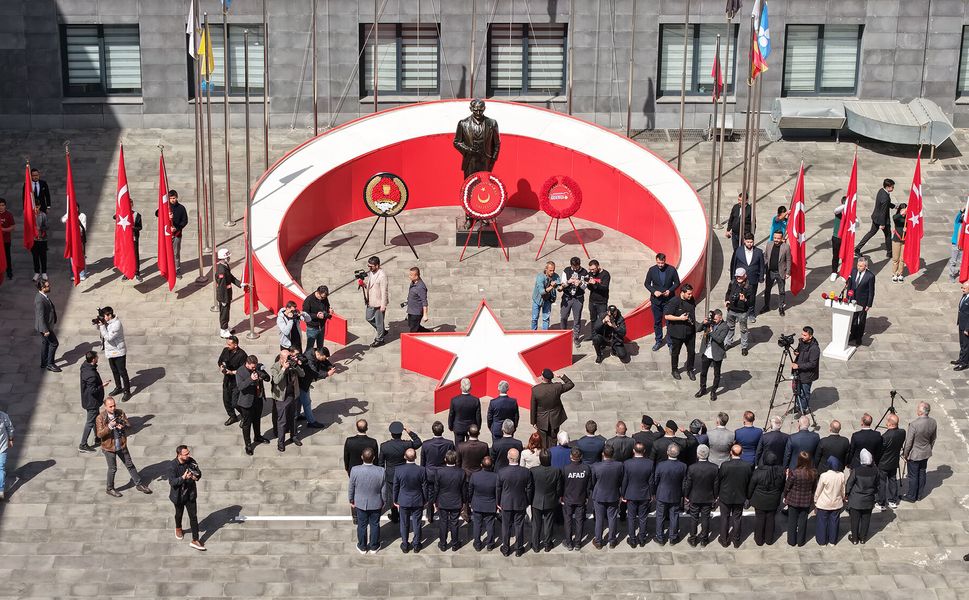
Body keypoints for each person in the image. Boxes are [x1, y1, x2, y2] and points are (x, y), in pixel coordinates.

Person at [96, 396, 151, 498]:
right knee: (112, 469)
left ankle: (138, 484)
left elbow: (128, 425)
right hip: (109, 447)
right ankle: (110, 488)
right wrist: (109, 427)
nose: (113, 408)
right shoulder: (100, 418)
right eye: (110, 406)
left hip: (121, 444)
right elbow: (99, 434)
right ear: (105, 407)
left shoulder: (120, 412)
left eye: (114, 405)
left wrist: (124, 425)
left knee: (129, 464)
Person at [379, 421, 422, 523]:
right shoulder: (406, 444)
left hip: (390, 475)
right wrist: (409, 432)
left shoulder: (384, 446)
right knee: (403, 493)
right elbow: (418, 442)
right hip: (403, 473)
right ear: (401, 433)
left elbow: (381, 463)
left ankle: (394, 516)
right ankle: (404, 513)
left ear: (391, 433)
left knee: (392, 496)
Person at [496, 447, 533, 556]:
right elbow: (529, 489)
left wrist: (498, 502)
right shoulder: (525, 472)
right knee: (519, 526)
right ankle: (519, 548)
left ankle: (506, 549)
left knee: (506, 526)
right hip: (520, 502)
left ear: (508, 457)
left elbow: (498, 489)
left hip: (506, 503)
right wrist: (528, 501)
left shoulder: (502, 472)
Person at [348, 447, 384, 554]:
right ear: (373, 458)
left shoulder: (355, 470)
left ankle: (362, 546)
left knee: (362, 525)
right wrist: (384, 501)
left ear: (361, 457)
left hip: (360, 502)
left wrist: (351, 500)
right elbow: (384, 489)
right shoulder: (381, 471)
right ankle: (374, 546)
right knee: (375, 524)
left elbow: (351, 487)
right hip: (376, 502)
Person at [168, 445, 205, 551]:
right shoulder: (172, 466)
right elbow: (172, 482)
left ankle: (195, 539)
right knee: (179, 514)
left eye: (188, 453)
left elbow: (199, 473)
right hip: (179, 495)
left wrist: (195, 477)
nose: (189, 455)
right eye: (186, 454)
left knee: (193, 516)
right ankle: (178, 528)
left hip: (190, 494)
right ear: (179, 455)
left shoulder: (191, 461)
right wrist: (183, 478)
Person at [453, 98, 500, 178]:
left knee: (484, 185)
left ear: (484, 108)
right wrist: (468, 150)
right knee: (470, 185)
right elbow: (456, 142)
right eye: (475, 110)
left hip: (486, 160)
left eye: (481, 110)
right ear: (471, 109)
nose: (478, 113)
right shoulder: (463, 123)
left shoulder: (492, 123)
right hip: (470, 161)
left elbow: (497, 143)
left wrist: (493, 159)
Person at [715, 444, 752, 547]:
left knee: (724, 518)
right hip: (740, 496)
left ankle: (724, 540)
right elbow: (749, 481)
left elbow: (719, 480)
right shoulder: (747, 465)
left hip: (725, 496)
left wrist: (717, 494)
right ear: (742, 453)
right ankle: (736, 540)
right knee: (737, 518)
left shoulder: (725, 465)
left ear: (731, 452)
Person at [393, 448, 428, 553]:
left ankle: (405, 544)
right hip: (417, 500)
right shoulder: (421, 470)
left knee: (404, 523)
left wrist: (395, 500)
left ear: (404, 457)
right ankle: (416, 544)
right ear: (416, 457)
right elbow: (424, 487)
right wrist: (425, 499)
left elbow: (396, 486)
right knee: (417, 523)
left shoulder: (399, 470)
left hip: (403, 500)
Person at [747, 451, 785, 546]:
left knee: (760, 519)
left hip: (759, 500)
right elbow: (782, 487)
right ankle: (769, 539)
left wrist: (749, 497)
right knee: (771, 519)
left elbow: (751, 487)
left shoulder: (758, 472)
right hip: (773, 500)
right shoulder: (780, 472)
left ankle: (759, 540)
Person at [644, 253, 680, 350]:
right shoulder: (652, 270)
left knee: (669, 322)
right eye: (658, 263)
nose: (660, 265)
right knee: (657, 322)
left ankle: (670, 342)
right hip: (656, 301)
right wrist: (654, 291)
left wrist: (670, 290)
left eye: (662, 263)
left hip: (669, 300)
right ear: (656, 261)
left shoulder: (671, 270)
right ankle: (658, 340)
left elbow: (677, 282)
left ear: (665, 261)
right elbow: (647, 283)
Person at [902, 401, 937, 502]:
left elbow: (909, 442)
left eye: (918, 409)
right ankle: (919, 495)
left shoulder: (914, 424)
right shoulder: (933, 422)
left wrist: (905, 454)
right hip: (925, 452)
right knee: (922, 473)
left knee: (913, 476)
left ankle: (911, 496)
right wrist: (930, 448)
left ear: (921, 412)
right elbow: (933, 438)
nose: (916, 410)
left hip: (915, 454)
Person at [589, 444, 623, 549]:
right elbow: (621, 480)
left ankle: (598, 541)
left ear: (603, 454)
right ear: (613, 454)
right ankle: (612, 540)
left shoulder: (596, 466)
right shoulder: (619, 465)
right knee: (612, 518)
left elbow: (593, 482)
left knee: (599, 519)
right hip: (613, 494)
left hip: (599, 495)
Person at [652, 443, 687, 545]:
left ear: (667, 452)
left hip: (662, 494)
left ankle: (660, 537)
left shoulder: (661, 465)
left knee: (660, 516)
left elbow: (656, 480)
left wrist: (654, 492)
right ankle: (673, 537)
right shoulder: (683, 466)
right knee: (674, 516)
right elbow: (684, 482)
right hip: (676, 495)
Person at [622, 442, 655, 547]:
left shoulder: (627, 463)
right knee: (643, 517)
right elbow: (651, 481)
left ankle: (632, 539)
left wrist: (623, 494)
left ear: (633, 450)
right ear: (644, 451)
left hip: (631, 494)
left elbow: (625, 481)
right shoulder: (650, 463)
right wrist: (651, 494)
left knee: (631, 517)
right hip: (644, 494)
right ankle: (642, 539)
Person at [235, 355, 270, 455]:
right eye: (252, 367)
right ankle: (248, 444)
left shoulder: (258, 367)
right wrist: (250, 379)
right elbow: (240, 387)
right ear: (247, 363)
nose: (254, 368)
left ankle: (258, 436)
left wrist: (263, 375)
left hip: (258, 399)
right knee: (247, 424)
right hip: (246, 402)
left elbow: (267, 378)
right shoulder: (240, 371)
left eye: (255, 366)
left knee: (257, 419)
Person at [530, 368, 573, 448]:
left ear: (542, 377)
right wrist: (562, 376)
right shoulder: (557, 387)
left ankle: (544, 455)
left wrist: (533, 422)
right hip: (555, 419)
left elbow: (533, 407)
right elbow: (570, 384)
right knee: (553, 439)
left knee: (542, 441)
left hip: (541, 420)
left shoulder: (536, 390)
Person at [421, 421, 455, 523]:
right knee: (442, 493)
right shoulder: (449, 443)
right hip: (443, 473)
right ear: (443, 431)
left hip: (430, 473)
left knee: (430, 495)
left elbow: (423, 462)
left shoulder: (426, 444)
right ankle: (442, 514)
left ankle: (430, 515)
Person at [270, 350, 304, 451]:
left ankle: (294, 436)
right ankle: (281, 443)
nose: (289, 359)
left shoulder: (292, 365)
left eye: (290, 357)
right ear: (281, 359)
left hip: (293, 395)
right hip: (281, 398)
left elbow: (302, 374)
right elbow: (276, 380)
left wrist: (296, 365)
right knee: (282, 421)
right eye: (287, 358)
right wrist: (284, 369)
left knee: (293, 417)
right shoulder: (275, 367)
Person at [94, 307, 130, 402]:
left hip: (118, 352)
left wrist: (102, 326)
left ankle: (127, 391)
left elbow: (108, 337)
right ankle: (118, 387)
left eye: (105, 316)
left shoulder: (116, 324)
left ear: (110, 315)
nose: (104, 318)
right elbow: (101, 332)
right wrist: (99, 323)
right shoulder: (107, 322)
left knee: (122, 372)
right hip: (110, 351)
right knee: (114, 371)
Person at [683, 444, 717, 547]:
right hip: (708, 497)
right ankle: (704, 539)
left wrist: (686, 495)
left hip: (695, 496)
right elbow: (716, 484)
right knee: (705, 518)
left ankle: (693, 538)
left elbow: (688, 483)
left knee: (694, 518)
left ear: (697, 455)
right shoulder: (714, 468)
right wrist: (715, 497)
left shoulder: (692, 468)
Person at [529, 449, 562, 552]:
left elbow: (530, 487)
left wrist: (530, 500)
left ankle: (535, 545)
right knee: (548, 524)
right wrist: (556, 497)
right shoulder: (556, 471)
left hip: (536, 501)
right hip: (550, 501)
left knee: (536, 524)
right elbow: (558, 488)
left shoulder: (533, 471)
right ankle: (547, 545)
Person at [432, 450, 465, 551]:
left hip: (443, 501)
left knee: (443, 522)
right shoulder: (461, 472)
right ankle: (455, 544)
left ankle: (443, 544)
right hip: (456, 501)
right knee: (454, 523)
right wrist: (464, 501)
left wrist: (434, 501)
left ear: (445, 459)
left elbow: (436, 488)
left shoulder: (439, 472)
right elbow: (463, 489)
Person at [846, 449, 879, 544]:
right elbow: (877, 484)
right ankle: (863, 538)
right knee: (866, 519)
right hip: (869, 499)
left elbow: (849, 483)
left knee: (854, 520)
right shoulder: (875, 470)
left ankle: (855, 538)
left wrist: (847, 494)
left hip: (856, 499)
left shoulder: (856, 470)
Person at [855, 178, 895, 257]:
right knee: (888, 235)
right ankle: (889, 252)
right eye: (892, 187)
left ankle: (857, 248)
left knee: (871, 233)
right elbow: (883, 211)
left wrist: (894, 206)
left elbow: (884, 204)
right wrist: (882, 224)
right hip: (882, 220)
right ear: (888, 187)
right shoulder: (886, 198)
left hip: (875, 217)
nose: (893, 188)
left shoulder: (881, 191)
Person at [784, 451, 817, 547]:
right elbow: (814, 487)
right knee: (803, 521)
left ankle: (791, 541)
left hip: (793, 500)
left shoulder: (794, 473)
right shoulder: (813, 473)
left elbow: (787, 486)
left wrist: (785, 495)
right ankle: (801, 541)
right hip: (806, 500)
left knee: (792, 521)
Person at [79, 351, 109, 452]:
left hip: (89, 400)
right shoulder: (91, 374)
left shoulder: (85, 366)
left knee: (96, 419)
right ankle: (83, 444)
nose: (98, 358)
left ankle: (97, 438)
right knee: (90, 422)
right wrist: (102, 386)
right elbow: (93, 390)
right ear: (93, 359)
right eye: (96, 357)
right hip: (92, 402)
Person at [695, 309, 729, 400]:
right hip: (706, 351)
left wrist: (711, 332)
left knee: (716, 374)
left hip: (717, 352)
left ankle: (713, 391)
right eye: (713, 319)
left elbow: (719, 339)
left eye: (716, 319)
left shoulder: (725, 327)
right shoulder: (709, 323)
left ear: (720, 318)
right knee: (703, 372)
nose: (713, 321)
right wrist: (703, 323)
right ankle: (703, 389)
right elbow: (697, 329)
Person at [666, 283, 697, 380]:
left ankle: (690, 370)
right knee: (675, 352)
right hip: (677, 333)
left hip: (690, 331)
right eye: (688, 294)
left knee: (691, 352)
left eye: (691, 293)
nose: (690, 295)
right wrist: (680, 318)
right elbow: (667, 316)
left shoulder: (691, 300)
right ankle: (674, 370)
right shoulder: (674, 302)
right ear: (682, 293)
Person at [731, 233, 766, 320]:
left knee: (752, 297)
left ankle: (751, 313)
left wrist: (761, 277)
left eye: (751, 242)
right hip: (740, 279)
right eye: (748, 242)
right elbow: (733, 264)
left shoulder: (759, 252)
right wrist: (732, 278)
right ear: (744, 241)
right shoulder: (738, 251)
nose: (750, 244)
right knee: (740, 296)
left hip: (753, 278)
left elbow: (761, 265)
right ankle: (739, 313)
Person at [561, 447, 591, 550]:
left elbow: (562, 485)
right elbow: (588, 485)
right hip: (580, 498)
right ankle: (578, 543)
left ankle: (569, 543)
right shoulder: (586, 468)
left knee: (568, 521)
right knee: (579, 520)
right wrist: (587, 496)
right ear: (581, 456)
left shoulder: (566, 469)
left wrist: (561, 496)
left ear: (570, 457)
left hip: (568, 499)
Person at [468, 455, 499, 551]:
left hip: (477, 504)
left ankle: (477, 544)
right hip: (490, 504)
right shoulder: (496, 477)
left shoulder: (475, 476)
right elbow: (498, 492)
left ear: (481, 465)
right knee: (490, 525)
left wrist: (470, 501)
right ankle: (490, 544)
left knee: (477, 525)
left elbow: (470, 490)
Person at [814, 456, 847, 546]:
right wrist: (843, 498)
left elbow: (818, 490)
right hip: (836, 503)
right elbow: (843, 490)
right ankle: (832, 541)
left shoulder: (824, 476)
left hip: (824, 503)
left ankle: (822, 541)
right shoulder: (841, 475)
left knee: (822, 522)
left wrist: (815, 500)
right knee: (834, 522)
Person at [154, 190, 188, 277]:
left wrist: (176, 228)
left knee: (176, 253)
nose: (172, 200)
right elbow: (157, 213)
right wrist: (166, 214)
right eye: (171, 198)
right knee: (166, 252)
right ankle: (167, 268)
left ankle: (177, 269)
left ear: (177, 198)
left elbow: (185, 221)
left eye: (174, 198)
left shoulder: (181, 208)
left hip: (177, 234)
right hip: (167, 234)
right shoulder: (166, 207)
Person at [299, 346, 334, 429]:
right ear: (318, 354)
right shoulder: (309, 360)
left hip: (304, 381)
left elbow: (325, 361)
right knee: (307, 402)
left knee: (299, 400)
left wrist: (330, 366)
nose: (324, 359)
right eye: (323, 357)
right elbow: (315, 374)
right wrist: (327, 374)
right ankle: (311, 422)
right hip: (303, 382)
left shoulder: (315, 352)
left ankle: (296, 415)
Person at [791, 326, 821, 418]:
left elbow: (812, 364)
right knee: (796, 390)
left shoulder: (815, 349)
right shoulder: (801, 342)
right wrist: (796, 352)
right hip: (798, 372)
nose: (802, 336)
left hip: (807, 375)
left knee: (804, 393)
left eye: (805, 335)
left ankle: (802, 409)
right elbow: (799, 350)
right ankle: (797, 406)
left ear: (810, 336)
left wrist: (798, 366)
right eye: (802, 334)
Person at [216, 336, 247, 426]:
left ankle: (245, 416)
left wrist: (232, 372)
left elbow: (243, 370)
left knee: (235, 402)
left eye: (229, 344)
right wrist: (221, 366)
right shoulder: (225, 350)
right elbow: (220, 361)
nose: (227, 346)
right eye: (227, 344)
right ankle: (232, 416)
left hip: (236, 381)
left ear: (236, 345)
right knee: (226, 400)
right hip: (227, 380)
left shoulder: (242, 355)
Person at [877, 414, 905, 511]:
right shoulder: (902, 432)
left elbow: (880, 451)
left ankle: (881, 503)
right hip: (894, 461)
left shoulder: (885, 437)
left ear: (889, 423)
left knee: (882, 482)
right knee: (893, 480)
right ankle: (893, 500)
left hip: (883, 463)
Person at [215, 248, 245, 338]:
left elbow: (230, 277)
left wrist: (240, 284)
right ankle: (223, 330)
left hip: (227, 293)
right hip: (224, 295)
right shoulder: (221, 271)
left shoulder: (225, 266)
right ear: (224, 258)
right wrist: (224, 299)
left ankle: (226, 327)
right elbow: (221, 286)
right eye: (227, 257)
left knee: (226, 311)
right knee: (224, 313)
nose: (229, 258)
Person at [559, 256, 587, 347]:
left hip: (578, 298)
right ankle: (563, 334)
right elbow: (562, 284)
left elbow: (585, 287)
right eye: (573, 267)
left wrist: (580, 284)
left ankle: (576, 337)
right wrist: (568, 281)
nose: (575, 269)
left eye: (577, 267)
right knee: (563, 316)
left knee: (577, 318)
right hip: (567, 297)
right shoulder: (566, 270)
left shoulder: (584, 272)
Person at [761, 231, 792, 316]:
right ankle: (766, 305)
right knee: (767, 290)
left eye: (778, 238)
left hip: (780, 272)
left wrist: (788, 272)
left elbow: (789, 260)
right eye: (775, 238)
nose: (776, 240)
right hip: (770, 272)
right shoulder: (769, 244)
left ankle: (781, 307)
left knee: (781, 291)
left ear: (782, 239)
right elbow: (765, 256)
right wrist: (763, 266)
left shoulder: (786, 247)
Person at [846, 257, 875, 346]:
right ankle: (853, 334)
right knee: (853, 318)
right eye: (858, 265)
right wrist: (847, 297)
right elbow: (850, 286)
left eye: (861, 266)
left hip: (863, 301)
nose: (859, 267)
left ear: (865, 266)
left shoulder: (870, 276)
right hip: (853, 299)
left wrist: (869, 304)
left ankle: (859, 337)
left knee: (861, 320)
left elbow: (871, 291)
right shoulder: (853, 271)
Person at [724, 268, 753, 355]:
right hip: (731, 310)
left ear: (745, 276)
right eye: (737, 276)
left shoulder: (749, 287)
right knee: (729, 327)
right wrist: (726, 300)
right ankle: (728, 343)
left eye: (740, 276)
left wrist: (745, 300)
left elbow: (751, 302)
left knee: (743, 330)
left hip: (742, 312)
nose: (738, 278)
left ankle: (744, 347)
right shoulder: (732, 283)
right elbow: (728, 292)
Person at [113, 200, 143, 281]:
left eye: (130, 204)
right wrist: (120, 211)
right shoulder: (121, 214)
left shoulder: (137, 215)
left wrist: (132, 228)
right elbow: (114, 217)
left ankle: (137, 272)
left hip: (133, 238)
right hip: (124, 239)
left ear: (132, 205)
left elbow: (140, 227)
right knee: (125, 255)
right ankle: (126, 272)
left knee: (135, 255)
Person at [363, 256, 389, 347]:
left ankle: (380, 339)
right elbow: (371, 286)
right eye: (368, 266)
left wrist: (383, 305)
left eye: (371, 266)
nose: (369, 268)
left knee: (379, 321)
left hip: (378, 303)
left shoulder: (382, 276)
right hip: (370, 301)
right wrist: (364, 285)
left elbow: (384, 291)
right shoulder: (371, 272)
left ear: (377, 266)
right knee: (368, 317)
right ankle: (381, 330)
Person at [34, 279, 59, 371]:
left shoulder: (43, 296)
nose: (49, 287)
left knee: (45, 343)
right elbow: (40, 317)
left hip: (46, 325)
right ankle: (50, 364)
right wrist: (45, 330)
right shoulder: (40, 300)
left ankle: (44, 363)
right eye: (47, 286)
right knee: (54, 344)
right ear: (42, 288)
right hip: (45, 327)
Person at [448, 378, 481, 445]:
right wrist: (477, 428)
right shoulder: (475, 400)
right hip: (472, 428)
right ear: (470, 387)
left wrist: (450, 426)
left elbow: (451, 415)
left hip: (458, 427)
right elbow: (478, 416)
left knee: (458, 448)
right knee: (471, 449)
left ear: (461, 387)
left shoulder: (455, 400)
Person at [60, 207, 88, 281]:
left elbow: (83, 228)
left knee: (81, 256)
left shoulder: (82, 216)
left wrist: (75, 224)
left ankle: (82, 273)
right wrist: (69, 217)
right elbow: (63, 220)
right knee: (71, 256)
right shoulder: (69, 214)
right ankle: (73, 273)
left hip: (80, 239)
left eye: (76, 208)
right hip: (71, 239)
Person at [531, 261, 560, 331]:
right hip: (538, 299)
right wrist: (552, 286)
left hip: (548, 300)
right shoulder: (540, 277)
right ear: (546, 269)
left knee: (546, 319)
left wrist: (563, 286)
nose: (552, 272)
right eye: (550, 270)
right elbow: (542, 292)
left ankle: (545, 333)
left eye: (553, 270)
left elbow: (559, 288)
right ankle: (533, 333)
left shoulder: (555, 276)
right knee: (534, 318)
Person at [301, 285, 331, 354]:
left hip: (322, 326)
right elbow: (305, 314)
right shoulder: (309, 300)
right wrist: (316, 315)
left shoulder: (324, 298)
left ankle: (320, 361)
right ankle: (307, 362)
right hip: (312, 327)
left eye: (324, 297)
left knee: (320, 347)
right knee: (309, 348)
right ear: (317, 292)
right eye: (322, 297)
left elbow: (327, 306)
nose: (323, 299)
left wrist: (329, 310)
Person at [586, 259, 611, 332]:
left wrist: (595, 283)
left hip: (602, 302)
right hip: (592, 300)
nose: (592, 271)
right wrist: (589, 284)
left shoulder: (605, 274)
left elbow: (605, 287)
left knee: (603, 320)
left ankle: (602, 337)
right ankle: (593, 335)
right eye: (590, 269)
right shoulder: (590, 273)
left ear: (598, 267)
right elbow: (590, 288)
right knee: (593, 319)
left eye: (593, 269)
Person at [405, 267, 430, 333]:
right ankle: (426, 332)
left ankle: (412, 342)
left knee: (413, 330)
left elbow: (424, 301)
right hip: (411, 310)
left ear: (416, 276)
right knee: (411, 325)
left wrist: (425, 315)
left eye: (411, 275)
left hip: (416, 312)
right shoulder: (413, 282)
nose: (409, 276)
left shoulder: (421, 287)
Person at [29, 203, 48, 281]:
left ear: (39, 206)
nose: (35, 209)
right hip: (33, 240)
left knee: (43, 256)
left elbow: (47, 226)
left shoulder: (43, 215)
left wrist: (40, 228)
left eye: (37, 207)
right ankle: (36, 272)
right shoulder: (31, 215)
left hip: (42, 239)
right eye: (34, 207)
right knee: (35, 257)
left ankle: (44, 272)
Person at [830, 196, 847, 282]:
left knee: (845, 256)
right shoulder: (839, 212)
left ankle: (845, 272)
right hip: (836, 237)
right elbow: (835, 210)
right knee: (835, 256)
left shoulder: (850, 213)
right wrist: (845, 205)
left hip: (845, 238)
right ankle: (834, 272)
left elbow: (857, 224)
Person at [890, 202, 908, 282]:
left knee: (902, 259)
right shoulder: (897, 217)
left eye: (905, 211)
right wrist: (902, 213)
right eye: (902, 210)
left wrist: (907, 229)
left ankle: (900, 273)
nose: (904, 212)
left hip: (904, 240)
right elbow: (895, 218)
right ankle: (894, 274)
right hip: (896, 240)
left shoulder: (908, 219)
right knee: (895, 259)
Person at [954, 281, 969, 370]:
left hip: (966, 326)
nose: (962, 290)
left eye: (964, 288)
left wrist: (967, 329)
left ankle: (964, 363)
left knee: (966, 345)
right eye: (962, 288)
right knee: (962, 343)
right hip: (961, 323)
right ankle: (961, 359)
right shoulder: (965, 296)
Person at [948, 209, 965, 283]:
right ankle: (951, 274)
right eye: (963, 215)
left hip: (963, 245)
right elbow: (959, 215)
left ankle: (962, 274)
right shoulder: (957, 222)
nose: (963, 216)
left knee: (962, 261)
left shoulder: (966, 225)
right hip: (955, 244)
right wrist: (962, 211)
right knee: (953, 261)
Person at [0, 198, 15, 279]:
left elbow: (13, 227)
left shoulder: (8, 215)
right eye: (0, 206)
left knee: (7, 256)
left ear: (5, 206)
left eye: (2, 205)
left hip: (6, 241)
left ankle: (9, 271)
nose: (1, 207)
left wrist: (3, 230)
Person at [0, 408, 12, 501]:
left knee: (1, 468)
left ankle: (1, 490)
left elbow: (10, 428)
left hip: (2, 447)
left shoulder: (4, 416)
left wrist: (10, 440)